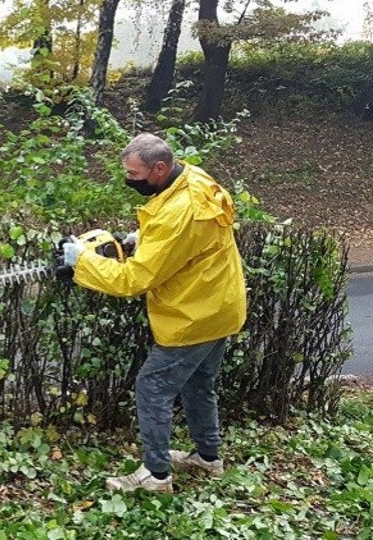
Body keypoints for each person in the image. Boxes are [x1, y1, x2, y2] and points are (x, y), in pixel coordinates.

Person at [60, 132, 247, 494]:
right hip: (221, 305)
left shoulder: (180, 212)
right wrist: (141, 238)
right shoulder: (193, 178)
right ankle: (208, 458)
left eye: (134, 174)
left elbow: (134, 279)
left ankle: (156, 476)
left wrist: (81, 261)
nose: (128, 179)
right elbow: (185, 241)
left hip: (193, 315)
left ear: (159, 168)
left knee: (152, 387)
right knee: (198, 383)